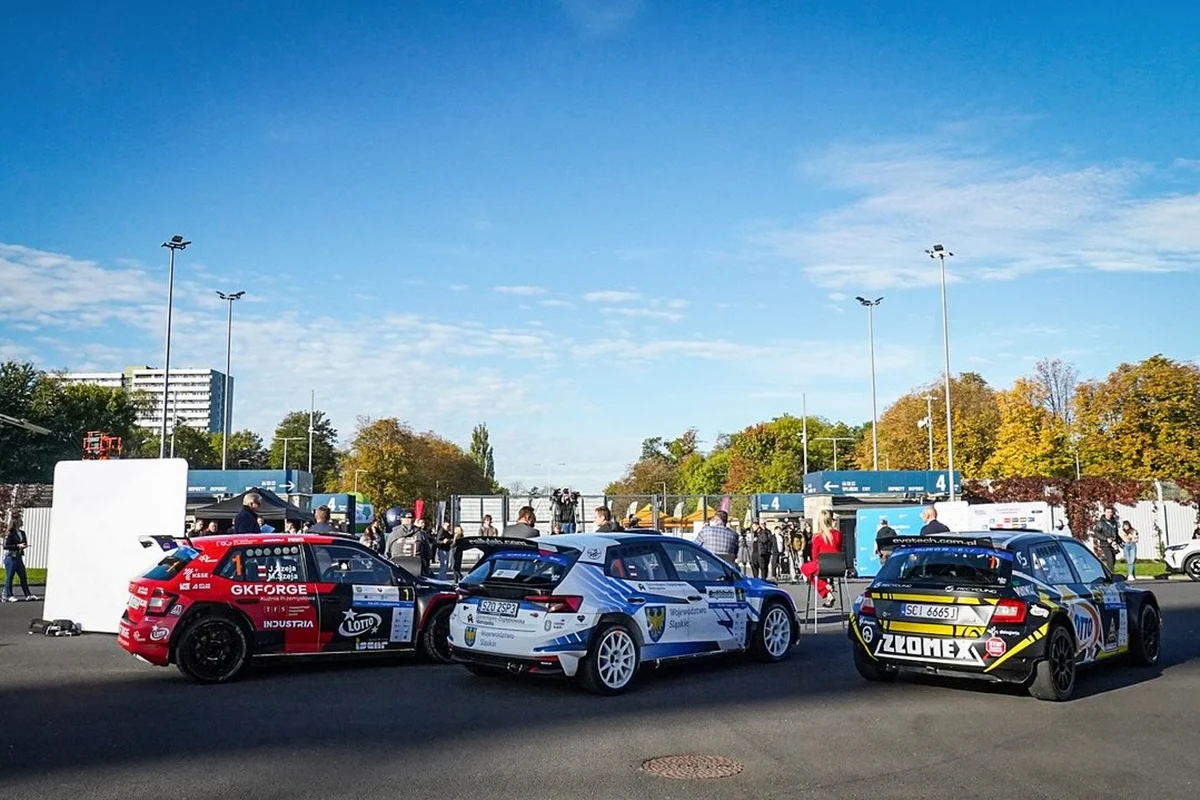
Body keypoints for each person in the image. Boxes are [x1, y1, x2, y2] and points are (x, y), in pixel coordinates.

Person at [800, 510, 843, 607]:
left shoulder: (817, 537)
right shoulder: (838, 534)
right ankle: (828, 595)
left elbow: (815, 555)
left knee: (805, 569)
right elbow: (839, 549)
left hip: (823, 565)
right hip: (838, 566)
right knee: (814, 571)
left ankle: (825, 587)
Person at [4, 520, 36, 602]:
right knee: (10, 576)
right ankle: (9, 595)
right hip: (11, 557)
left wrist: (23, 546)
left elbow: (24, 542)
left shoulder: (22, 533)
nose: (21, 521)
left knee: (23, 576)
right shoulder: (10, 533)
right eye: (19, 520)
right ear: (15, 522)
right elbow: (6, 546)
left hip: (18, 557)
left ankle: (28, 595)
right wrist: (18, 546)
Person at [1092, 507, 1119, 571]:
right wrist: (1106, 539)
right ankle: (1110, 576)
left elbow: (1116, 533)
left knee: (1113, 560)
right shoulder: (1100, 523)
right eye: (1108, 512)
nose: (1110, 514)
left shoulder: (1114, 522)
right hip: (1105, 544)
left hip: (1113, 544)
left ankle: (1108, 573)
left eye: (1111, 512)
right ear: (1104, 513)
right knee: (1110, 560)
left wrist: (1119, 541)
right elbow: (1096, 533)